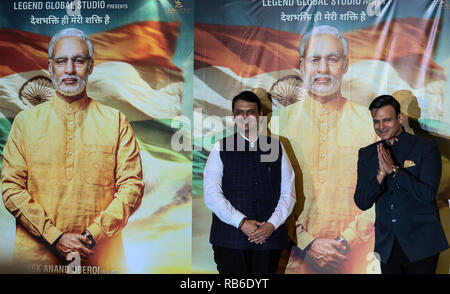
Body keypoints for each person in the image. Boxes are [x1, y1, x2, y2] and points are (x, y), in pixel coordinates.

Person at [1, 28, 144, 273]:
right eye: (61, 61)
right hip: (35, 261)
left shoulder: (116, 122)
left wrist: (91, 236)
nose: (69, 70)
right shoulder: (25, 123)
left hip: (100, 261)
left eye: (78, 61)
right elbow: (10, 187)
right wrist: (55, 237)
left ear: (90, 66)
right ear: (50, 67)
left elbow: (132, 187)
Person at [270, 25, 378, 273]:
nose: (322, 69)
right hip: (293, 257)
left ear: (345, 65)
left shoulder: (370, 123)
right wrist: (307, 243)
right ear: (301, 65)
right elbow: (266, 194)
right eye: (314, 60)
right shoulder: (275, 124)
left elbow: (384, 193)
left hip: (357, 257)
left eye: (332, 60)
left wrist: (347, 240)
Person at [353, 95, 449, 274]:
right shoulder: (367, 154)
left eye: (387, 120)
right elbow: (361, 201)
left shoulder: (425, 148)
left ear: (399, 118)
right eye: (377, 121)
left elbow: (426, 195)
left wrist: (395, 171)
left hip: (422, 244)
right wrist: (381, 174)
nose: (381, 127)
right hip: (387, 246)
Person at [203, 91, 296, 274]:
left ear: (260, 115)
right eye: (239, 112)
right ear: (233, 116)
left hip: (269, 239)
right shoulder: (220, 148)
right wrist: (241, 222)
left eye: (250, 112)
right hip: (230, 240)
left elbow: (288, 194)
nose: (245, 117)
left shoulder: (277, 147)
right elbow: (212, 195)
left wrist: (271, 225)